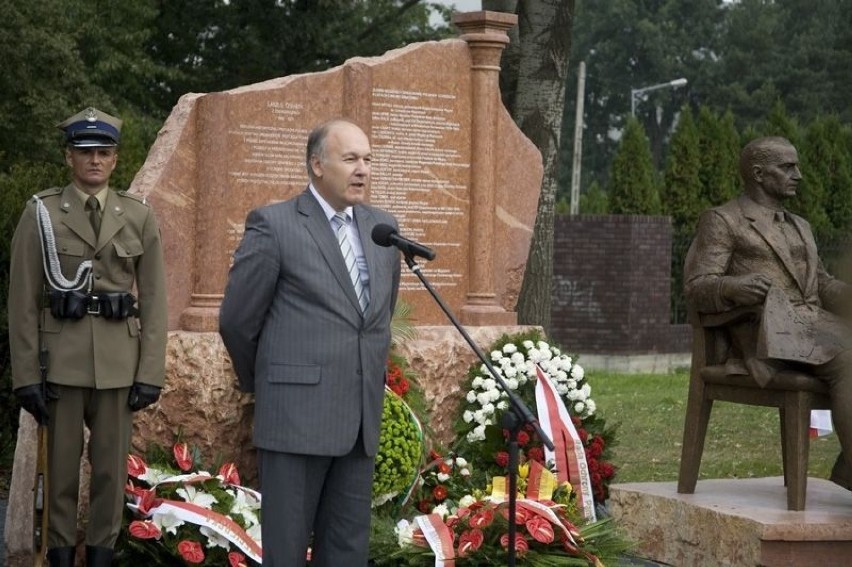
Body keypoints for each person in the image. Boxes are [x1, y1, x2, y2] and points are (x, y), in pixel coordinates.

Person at [219, 118, 401, 566]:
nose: (363, 169)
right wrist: (271, 383)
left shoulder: (383, 230)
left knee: (345, 552)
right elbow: (237, 321)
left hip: (358, 423)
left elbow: (377, 318)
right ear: (317, 165)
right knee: (285, 551)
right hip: (295, 419)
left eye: (368, 159)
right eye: (350, 158)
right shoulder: (275, 224)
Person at [8, 107, 168, 566]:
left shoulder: (137, 216)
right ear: (68, 158)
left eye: (103, 152)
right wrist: (25, 376)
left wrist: (150, 370)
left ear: (116, 159)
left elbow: (155, 299)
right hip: (60, 361)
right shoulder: (42, 213)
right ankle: (58, 557)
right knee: (59, 475)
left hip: (119, 363)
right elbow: (22, 300)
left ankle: (101, 556)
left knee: (110, 475)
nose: (94, 160)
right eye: (85, 153)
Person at [684, 135, 852, 492]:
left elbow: (820, 283)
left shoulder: (800, 225)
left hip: (814, 329)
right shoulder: (724, 220)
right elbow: (697, 285)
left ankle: (848, 471)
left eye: (797, 166)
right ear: (759, 174)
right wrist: (731, 286)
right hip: (765, 337)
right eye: (787, 167)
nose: (799, 175)